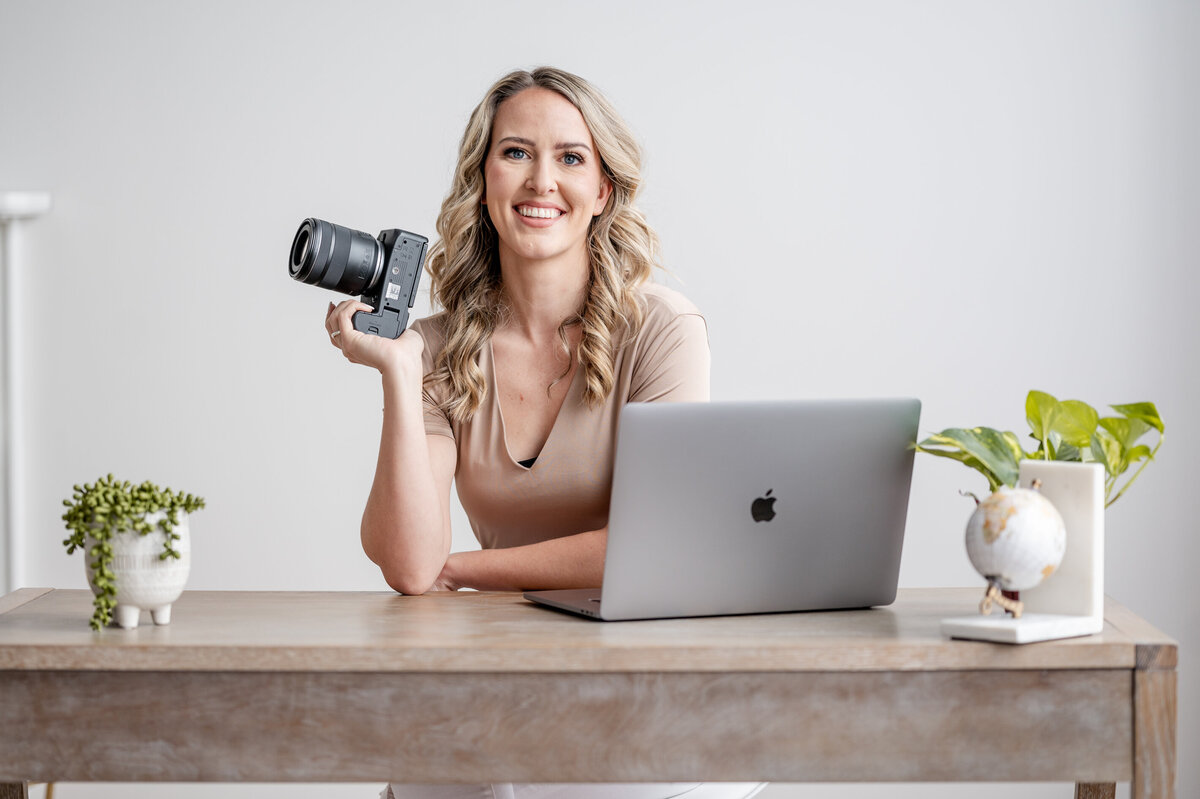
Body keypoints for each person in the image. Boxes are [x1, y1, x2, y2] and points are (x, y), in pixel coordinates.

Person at [324, 66, 765, 799]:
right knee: (425, 775)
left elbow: (660, 543)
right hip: (498, 666)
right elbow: (408, 565)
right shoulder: (435, 348)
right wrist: (400, 375)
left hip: (646, 666)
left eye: (570, 158)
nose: (540, 182)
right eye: (516, 152)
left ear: (603, 192)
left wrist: (464, 569)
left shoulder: (661, 329)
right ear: (483, 180)